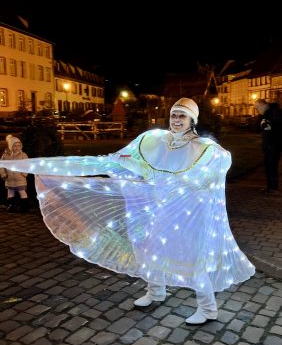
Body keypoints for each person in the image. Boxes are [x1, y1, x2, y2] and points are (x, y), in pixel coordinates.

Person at [0, 98, 255, 324]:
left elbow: (217, 164)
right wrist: (43, 166)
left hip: (183, 211)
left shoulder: (204, 148)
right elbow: (116, 160)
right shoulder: (152, 139)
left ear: (192, 120)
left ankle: (208, 308)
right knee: (145, 246)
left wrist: (187, 179)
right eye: (174, 115)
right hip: (149, 206)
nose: (176, 120)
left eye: (182, 116)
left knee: (190, 255)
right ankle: (156, 291)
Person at [254, 99, 282, 195]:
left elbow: (278, 126)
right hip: (268, 145)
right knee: (268, 166)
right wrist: (260, 121)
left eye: (257, 107)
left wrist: (272, 127)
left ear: (263, 105)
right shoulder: (264, 114)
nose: (257, 110)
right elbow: (256, 129)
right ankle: (270, 187)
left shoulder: (275, 112)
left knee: (272, 166)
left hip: (275, 145)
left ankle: (273, 188)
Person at [0, 135, 29, 212]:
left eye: (19, 146)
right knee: (10, 192)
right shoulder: (5, 156)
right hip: (9, 178)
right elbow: (1, 165)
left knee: (22, 191)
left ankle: (24, 206)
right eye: (15, 146)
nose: (17, 148)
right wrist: (3, 174)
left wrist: (24, 173)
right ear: (10, 146)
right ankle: (11, 205)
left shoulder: (23, 155)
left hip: (20, 178)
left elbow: (27, 165)